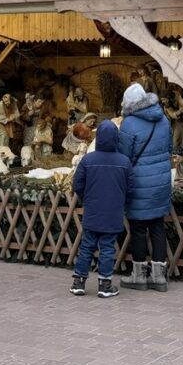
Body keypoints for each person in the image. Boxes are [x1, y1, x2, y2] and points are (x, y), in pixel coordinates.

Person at [117, 83, 173, 292]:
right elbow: (169, 148)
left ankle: (139, 276)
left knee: (138, 229)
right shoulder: (164, 119)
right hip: (161, 181)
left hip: (139, 183)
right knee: (158, 226)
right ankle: (159, 277)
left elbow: (124, 157)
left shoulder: (128, 123)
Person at [70, 120, 132, 298]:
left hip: (92, 210)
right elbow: (131, 187)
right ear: (116, 139)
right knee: (107, 248)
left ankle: (78, 283)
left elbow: (77, 184)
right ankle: (105, 285)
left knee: (87, 246)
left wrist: (86, 198)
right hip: (113, 212)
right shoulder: (124, 161)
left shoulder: (88, 160)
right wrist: (121, 200)